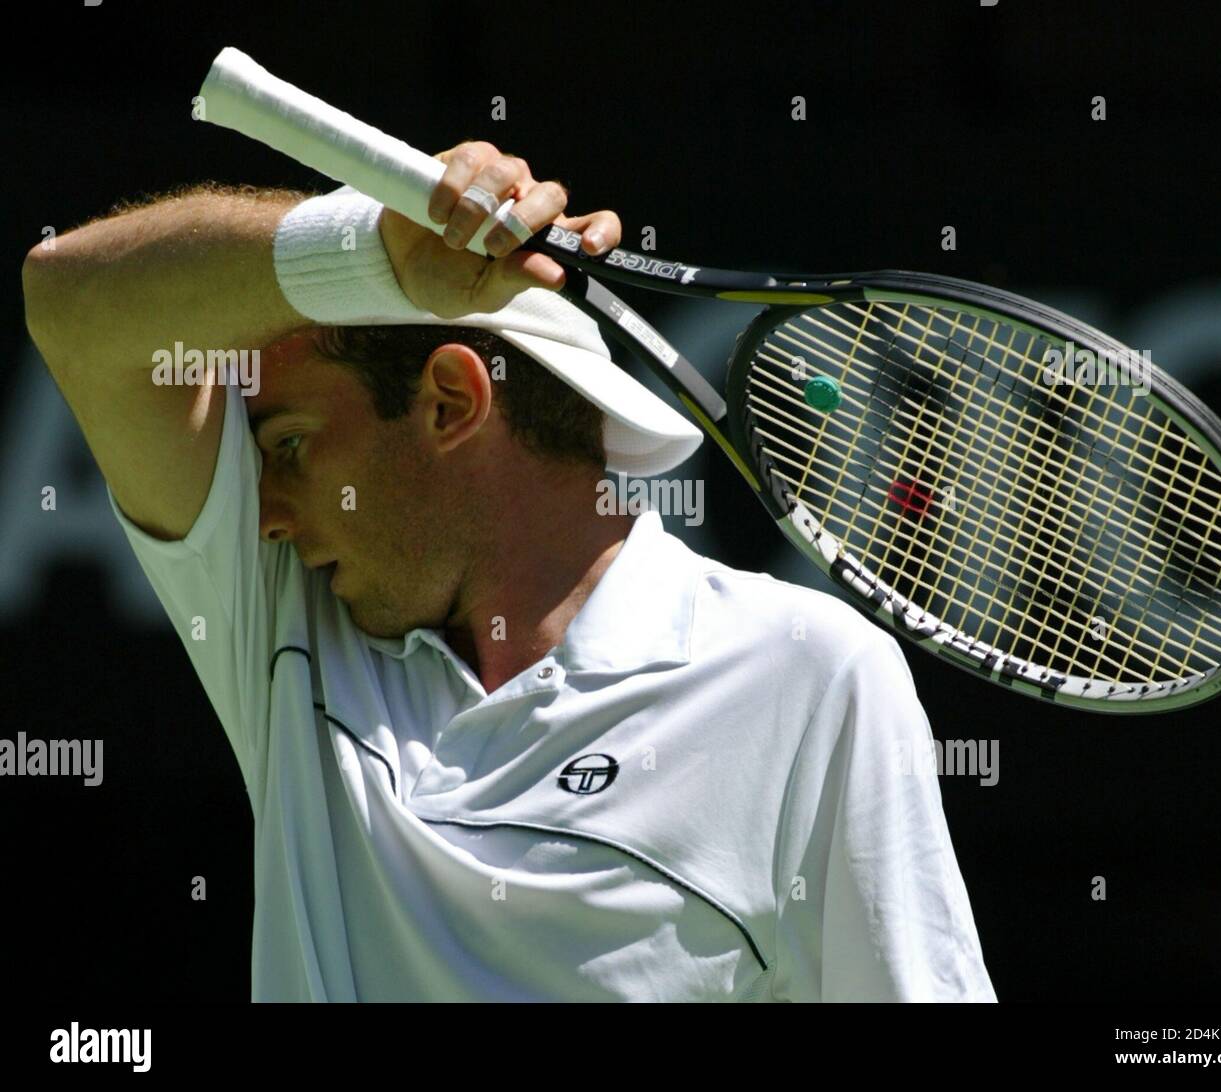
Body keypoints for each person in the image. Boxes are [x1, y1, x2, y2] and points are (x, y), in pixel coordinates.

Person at [21, 141, 996, 1002]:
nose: (266, 514)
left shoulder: (810, 676)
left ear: (450, 402)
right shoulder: (285, 619)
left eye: (291, 446)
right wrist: (369, 246)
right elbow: (71, 299)